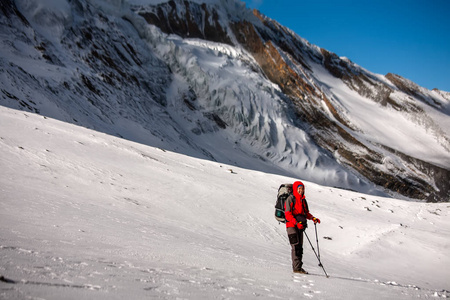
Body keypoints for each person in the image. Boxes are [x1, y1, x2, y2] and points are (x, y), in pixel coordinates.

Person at [285, 181, 320, 274]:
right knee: (295, 246)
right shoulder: (290, 199)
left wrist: (313, 218)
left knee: (300, 247)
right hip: (292, 226)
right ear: (296, 189)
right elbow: (287, 214)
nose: (301, 190)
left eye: (302, 188)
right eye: (299, 188)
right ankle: (296, 269)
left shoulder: (303, 200)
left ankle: (299, 267)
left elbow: (306, 213)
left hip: (300, 226)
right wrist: (296, 223)